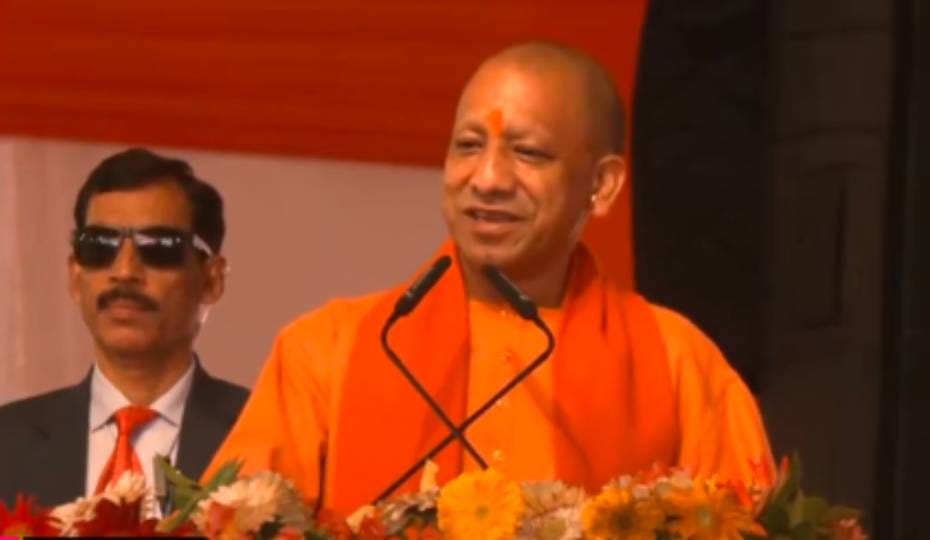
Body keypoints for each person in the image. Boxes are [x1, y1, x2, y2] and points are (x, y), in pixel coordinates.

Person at [207, 42, 772, 515]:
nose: (488, 178)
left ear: (601, 186)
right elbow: (230, 522)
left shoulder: (678, 365)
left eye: (528, 153)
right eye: (469, 146)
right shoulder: (328, 352)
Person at [0, 148, 248, 507]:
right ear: (75, 276)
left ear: (211, 280)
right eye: (100, 247)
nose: (125, 271)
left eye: (158, 247)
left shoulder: (265, 435)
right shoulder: (7, 442)